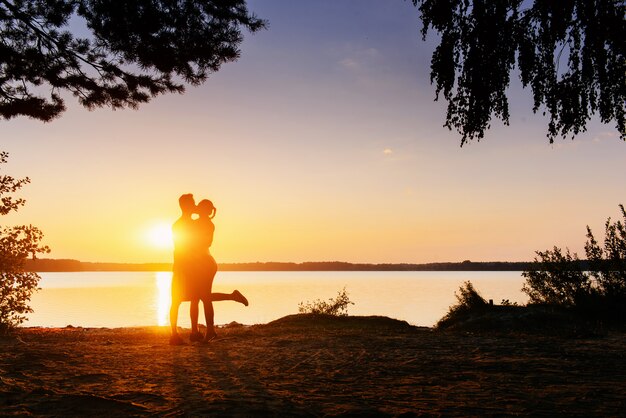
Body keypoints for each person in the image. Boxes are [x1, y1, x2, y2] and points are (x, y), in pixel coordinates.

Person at [169, 194, 248, 345]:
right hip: (188, 264)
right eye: (193, 204)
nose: (195, 206)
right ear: (186, 206)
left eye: (197, 205)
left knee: (200, 297)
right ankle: (192, 332)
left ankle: (205, 331)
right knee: (194, 297)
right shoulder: (186, 224)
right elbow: (180, 247)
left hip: (202, 264)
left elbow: (202, 243)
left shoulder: (199, 223)